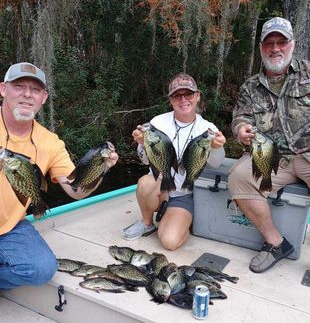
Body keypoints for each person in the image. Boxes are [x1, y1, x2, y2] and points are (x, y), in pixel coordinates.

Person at [0, 62, 118, 290]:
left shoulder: (50, 142)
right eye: (19, 86)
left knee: (43, 269)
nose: (27, 94)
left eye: (35, 90)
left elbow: (76, 190)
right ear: (3, 89)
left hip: (11, 226)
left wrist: (101, 168)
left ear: (43, 98)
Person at [228, 17, 310, 273]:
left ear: (292, 45)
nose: (275, 48)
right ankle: (276, 243)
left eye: (281, 42)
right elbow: (240, 116)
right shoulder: (250, 86)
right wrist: (241, 130)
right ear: (262, 48)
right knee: (239, 178)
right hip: (272, 157)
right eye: (269, 43)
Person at [122, 73, 226, 250]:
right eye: (177, 95)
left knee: (170, 242)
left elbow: (216, 163)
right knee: (146, 182)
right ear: (170, 100)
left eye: (189, 94)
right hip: (159, 186)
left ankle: (183, 221)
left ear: (198, 96)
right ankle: (147, 223)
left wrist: (217, 147)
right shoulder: (158, 122)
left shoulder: (208, 129)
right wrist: (141, 144)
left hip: (184, 194)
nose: (183, 100)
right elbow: (146, 160)